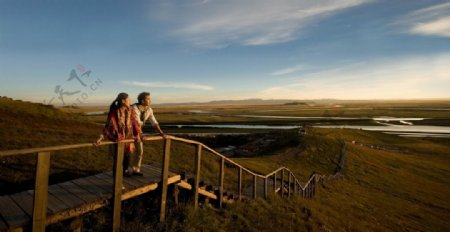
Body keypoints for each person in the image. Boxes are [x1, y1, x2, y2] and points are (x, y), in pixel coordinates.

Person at [94, 92, 141, 177]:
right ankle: (117, 182)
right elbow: (108, 125)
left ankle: (125, 173)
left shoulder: (130, 110)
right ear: (123, 101)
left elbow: (134, 123)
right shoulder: (114, 111)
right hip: (118, 140)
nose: (130, 101)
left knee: (127, 159)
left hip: (128, 140)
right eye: (128, 99)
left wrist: (137, 135)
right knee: (118, 161)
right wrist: (100, 138)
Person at [130, 92, 165, 176]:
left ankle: (136, 169)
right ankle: (125, 170)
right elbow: (136, 123)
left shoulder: (149, 109)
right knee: (127, 152)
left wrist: (161, 133)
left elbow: (154, 122)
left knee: (139, 151)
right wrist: (140, 135)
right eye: (148, 99)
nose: (150, 100)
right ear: (142, 101)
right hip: (128, 131)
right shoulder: (134, 108)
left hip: (138, 132)